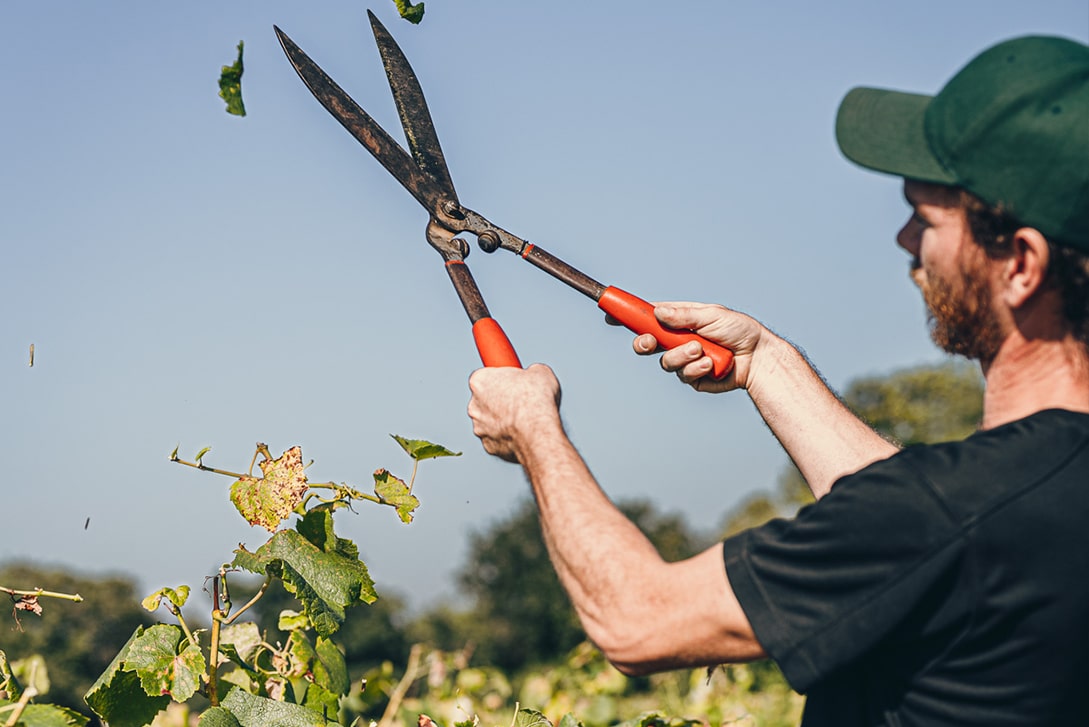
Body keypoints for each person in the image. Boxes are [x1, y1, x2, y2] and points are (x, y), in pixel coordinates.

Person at [466, 35, 1089, 725]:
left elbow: (636, 620)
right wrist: (765, 361)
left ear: (1021, 263)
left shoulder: (952, 514)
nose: (905, 239)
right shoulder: (1023, 496)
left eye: (926, 216)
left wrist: (532, 429)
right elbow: (922, 527)